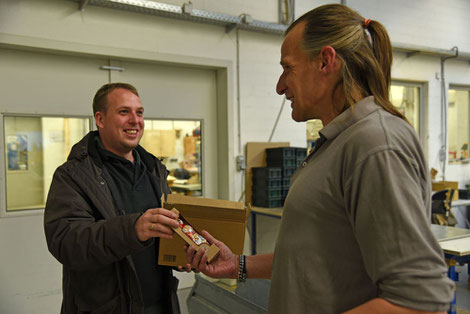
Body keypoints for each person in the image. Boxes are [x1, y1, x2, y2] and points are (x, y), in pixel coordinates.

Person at [185, 4, 454, 313]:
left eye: (288, 67)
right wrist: (239, 265)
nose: (280, 86)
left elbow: (419, 297)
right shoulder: (339, 141)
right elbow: (317, 255)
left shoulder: (375, 143)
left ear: (326, 61)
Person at [44, 82, 182, 314]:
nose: (135, 120)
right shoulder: (73, 175)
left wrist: (180, 251)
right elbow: (66, 242)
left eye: (139, 113)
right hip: (106, 308)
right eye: (123, 112)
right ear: (100, 119)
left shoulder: (153, 170)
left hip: (161, 303)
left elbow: (163, 231)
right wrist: (133, 229)